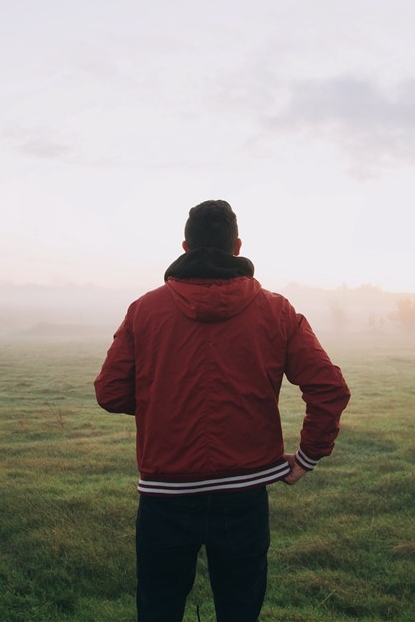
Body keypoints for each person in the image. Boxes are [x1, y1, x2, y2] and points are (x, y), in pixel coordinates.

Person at [94, 200, 350, 622]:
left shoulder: (144, 309)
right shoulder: (277, 309)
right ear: (237, 247)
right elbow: (329, 387)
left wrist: (164, 401)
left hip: (165, 496)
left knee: (158, 610)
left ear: (184, 246)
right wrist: (307, 458)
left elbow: (109, 392)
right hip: (245, 496)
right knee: (240, 612)